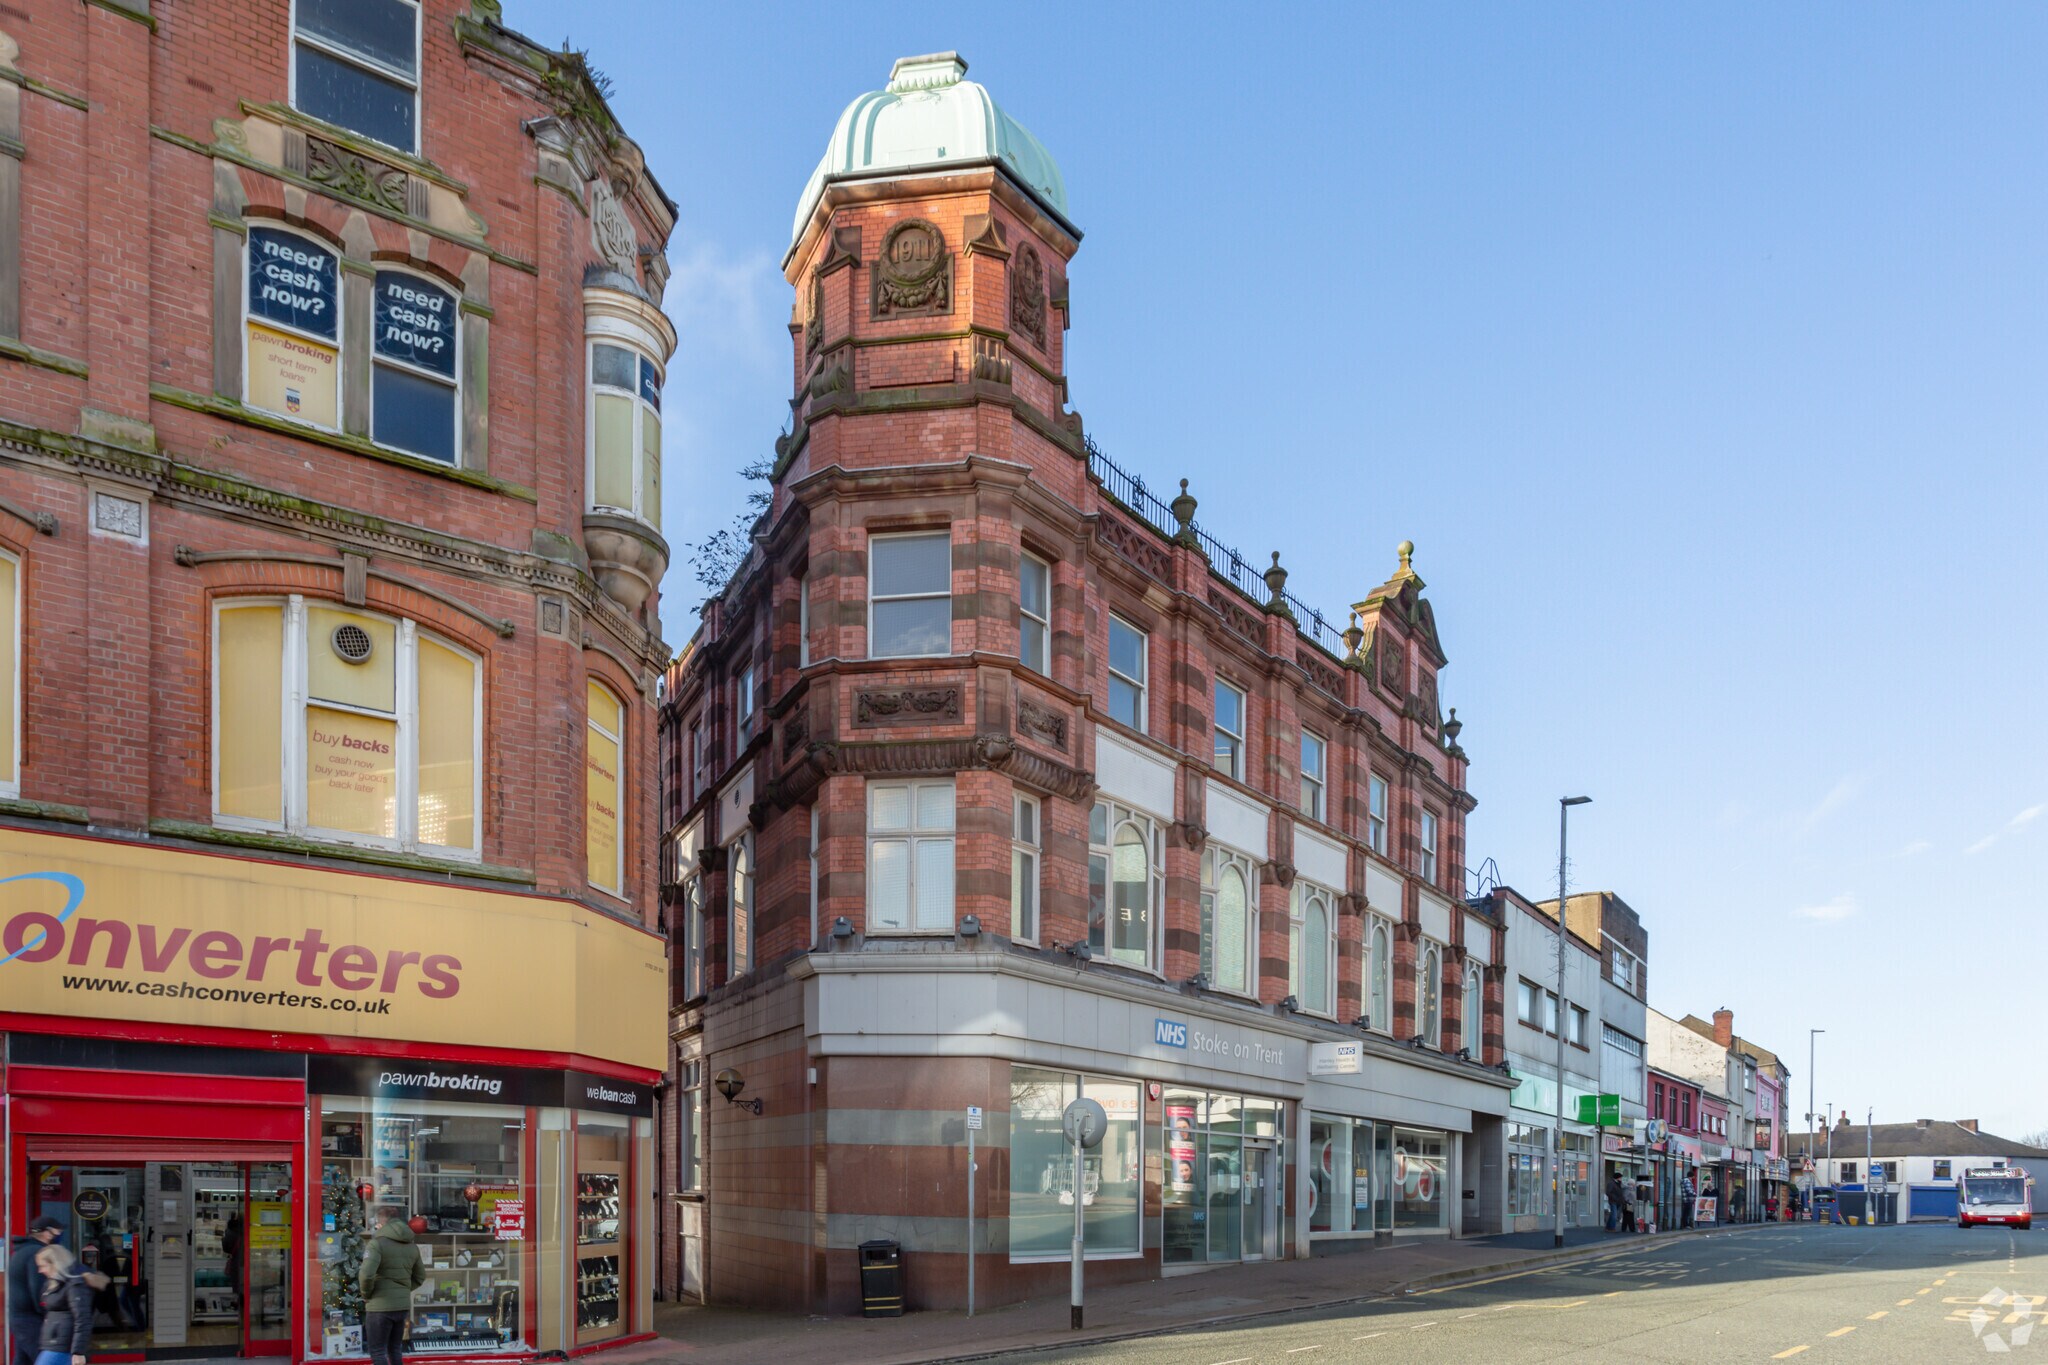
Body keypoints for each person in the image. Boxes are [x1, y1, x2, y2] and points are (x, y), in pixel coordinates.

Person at [358, 1207, 424, 1365]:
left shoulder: (376, 1244)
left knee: (378, 1352)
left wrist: (367, 1295)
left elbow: (366, 1275)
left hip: (379, 1307)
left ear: (383, 1221)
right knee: (395, 1350)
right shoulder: (412, 1246)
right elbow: (420, 1277)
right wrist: (401, 1291)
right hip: (401, 1307)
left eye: (378, 1221)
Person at [34, 1243, 106, 1365]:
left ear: (55, 1263)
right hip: (55, 1343)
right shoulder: (54, 1284)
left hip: (62, 1346)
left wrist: (78, 1351)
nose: (40, 1270)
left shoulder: (74, 1285)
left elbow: (83, 1319)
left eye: (43, 1266)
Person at [8, 1216, 64, 1365]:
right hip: (31, 1321)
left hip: (20, 1318)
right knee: (46, 1360)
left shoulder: (23, 1251)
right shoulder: (37, 1253)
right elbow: (39, 1290)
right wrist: (49, 1313)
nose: (60, 1235)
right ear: (48, 1233)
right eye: (59, 1231)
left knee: (23, 1361)